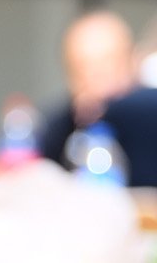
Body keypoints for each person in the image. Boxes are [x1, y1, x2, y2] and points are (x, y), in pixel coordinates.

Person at [37, 10, 138, 168]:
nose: (96, 78)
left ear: (130, 62)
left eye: (108, 63)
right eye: (82, 68)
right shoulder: (55, 132)